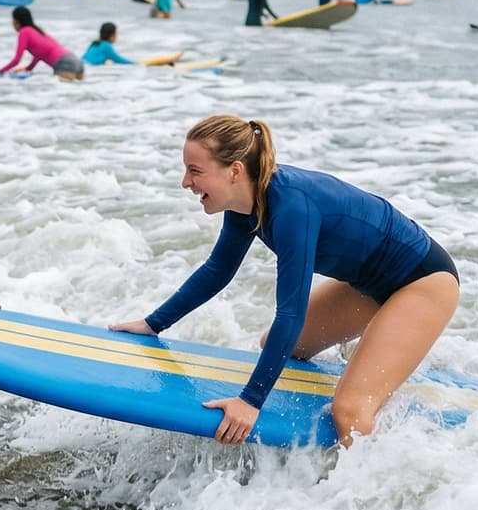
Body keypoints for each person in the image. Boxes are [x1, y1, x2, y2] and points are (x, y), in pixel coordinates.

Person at [109, 115, 459, 447]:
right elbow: (217, 271)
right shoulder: (246, 202)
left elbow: (289, 314)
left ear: (234, 171)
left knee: (348, 411)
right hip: (370, 286)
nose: (186, 182)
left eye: (195, 171)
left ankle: (389, 490)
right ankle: (372, 373)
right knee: (282, 347)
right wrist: (153, 324)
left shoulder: (292, 207)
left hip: (423, 283)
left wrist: (250, 401)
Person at [0, 5, 85, 79]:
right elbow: (39, 55)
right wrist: (28, 69)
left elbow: (17, 60)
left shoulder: (24, 32)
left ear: (16, 21)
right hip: (75, 61)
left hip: (64, 63)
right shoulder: (37, 31)